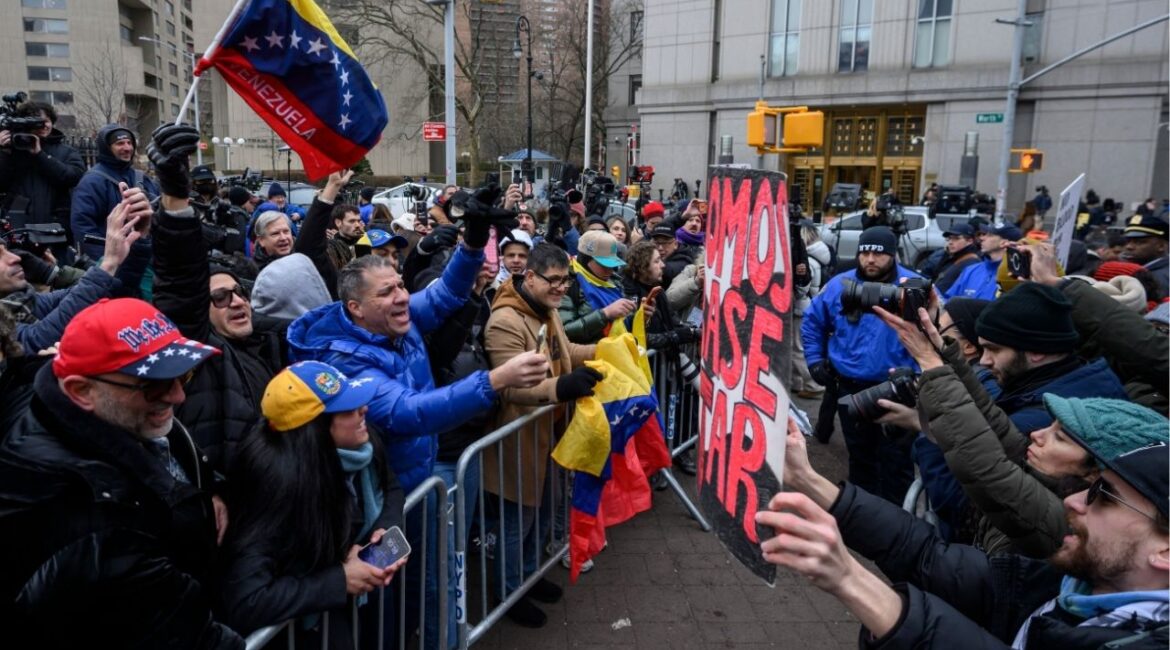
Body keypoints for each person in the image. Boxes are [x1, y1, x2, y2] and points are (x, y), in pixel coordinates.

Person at [287, 184, 548, 648]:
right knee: (403, 596)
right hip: (387, 504)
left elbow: (447, 293)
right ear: (356, 309)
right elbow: (409, 413)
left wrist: (470, 240)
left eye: (402, 285)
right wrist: (496, 380)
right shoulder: (345, 360)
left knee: (428, 582)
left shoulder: (394, 319)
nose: (403, 297)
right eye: (388, 291)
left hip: (418, 483)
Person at [759, 418, 1169, 649]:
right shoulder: (1070, 585)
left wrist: (850, 578)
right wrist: (808, 478)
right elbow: (928, 556)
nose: (1074, 501)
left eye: (1103, 496)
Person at [0, 297, 240, 648]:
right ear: (81, 391)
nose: (177, 396)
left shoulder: (124, 414)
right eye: (153, 385)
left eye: (183, 376)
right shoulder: (90, 521)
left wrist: (209, 491)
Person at [219, 361, 406, 648]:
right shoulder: (277, 486)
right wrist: (339, 580)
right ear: (315, 428)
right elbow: (247, 599)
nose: (363, 410)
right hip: (305, 631)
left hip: (355, 611)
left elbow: (390, 488)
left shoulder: (362, 446)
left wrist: (382, 531)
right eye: (348, 409)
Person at [148, 122, 289, 472]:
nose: (238, 302)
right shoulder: (202, 357)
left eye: (240, 294)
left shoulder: (271, 342)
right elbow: (180, 286)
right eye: (221, 298)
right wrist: (175, 200)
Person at [483, 243, 600, 628]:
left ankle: (529, 578)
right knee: (519, 521)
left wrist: (609, 350)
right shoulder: (504, 321)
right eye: (554, 280)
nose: (561, 288)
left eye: (566, 280)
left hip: (550, 436)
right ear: (529, 277)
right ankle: (508, 591)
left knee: (545, 514)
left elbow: (567, 352)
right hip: (518, 442)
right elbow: (509, 387)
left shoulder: (546, 311)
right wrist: (561, 388)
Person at [801, 226, 923, 504]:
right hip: (850, 387)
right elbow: (812, 322)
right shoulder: (839, 285)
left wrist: (921, 373)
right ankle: (863, 522)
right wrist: (815, 360)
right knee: (860, 459)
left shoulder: (914, 286)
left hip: (899, 391)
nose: (870, 259)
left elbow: (941, 330)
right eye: (865, 252)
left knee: (897, 463)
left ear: (893, 255)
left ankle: (900, 529)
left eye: (878, 255)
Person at [1, 187, 152, 353]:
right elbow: (36, 339)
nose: (15, 258)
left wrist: (135, 238)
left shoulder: (23, 302)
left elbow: (99, 295)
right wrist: (108, 263)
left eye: (7, 250)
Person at [71, 124, 160, 260]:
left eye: (129, 143)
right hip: (115, 263)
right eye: (120, 143)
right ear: (107, 148)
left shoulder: (142, 178)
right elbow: (82, 225)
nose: (127, 148)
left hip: (147, 259)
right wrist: (107, 260)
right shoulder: (92, 182)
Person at [0, 100, 85, 241]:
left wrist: (40, 155)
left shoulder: (67, 152)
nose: (44, 126)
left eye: (47, 121)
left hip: (55, 229)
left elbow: (73, 178)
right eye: (37, 122)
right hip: (17, 230)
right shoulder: (12, 150)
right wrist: (3, 152)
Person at [559, 230, 638, 344]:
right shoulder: (568, 284)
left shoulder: (615, 282)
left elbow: (625, 322)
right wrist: (605, 314)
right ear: (586, 260)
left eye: (612, 265)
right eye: (603, 265)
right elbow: (565, 331)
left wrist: (641, 317)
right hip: (587, 358)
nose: (610, 270)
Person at [945, 223, 1022, 300]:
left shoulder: (1016, 277)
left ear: (1004, 243)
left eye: (990, 235)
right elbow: (948, 302)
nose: (982, 238)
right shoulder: (970, 270)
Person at [1120, 213, 1169, 295]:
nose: (1129, 247)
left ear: (1161, 246)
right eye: (1128, 241)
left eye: (1139, 242)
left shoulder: (1159, 279)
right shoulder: (1139, 271)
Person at [326, 203, 366, 271]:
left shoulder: (366, 242)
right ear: (338, 223)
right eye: (352, 221)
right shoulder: (330, 248)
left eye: (358, 221)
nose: (357, 225)